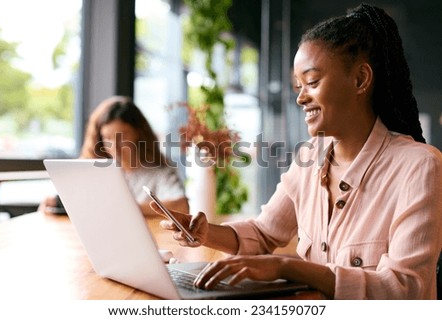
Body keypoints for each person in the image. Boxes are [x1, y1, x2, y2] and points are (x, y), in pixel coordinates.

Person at [151, 3, 442, 299]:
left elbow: (405, 290)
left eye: (312, 82)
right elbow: (264, 233)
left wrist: (286, 267)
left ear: (360, 79)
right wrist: (205, 232)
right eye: (298, 86)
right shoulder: (310, 156)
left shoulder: (419, 166)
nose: (301, 98)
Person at [40, 96, 189, 216]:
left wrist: (125, 209)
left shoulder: (159, 173)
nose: (115, 147)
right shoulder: (96, 171)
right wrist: (56, 203)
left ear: (138, 134)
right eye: (108, 138)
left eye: (122, 137)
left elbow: (181, 207)